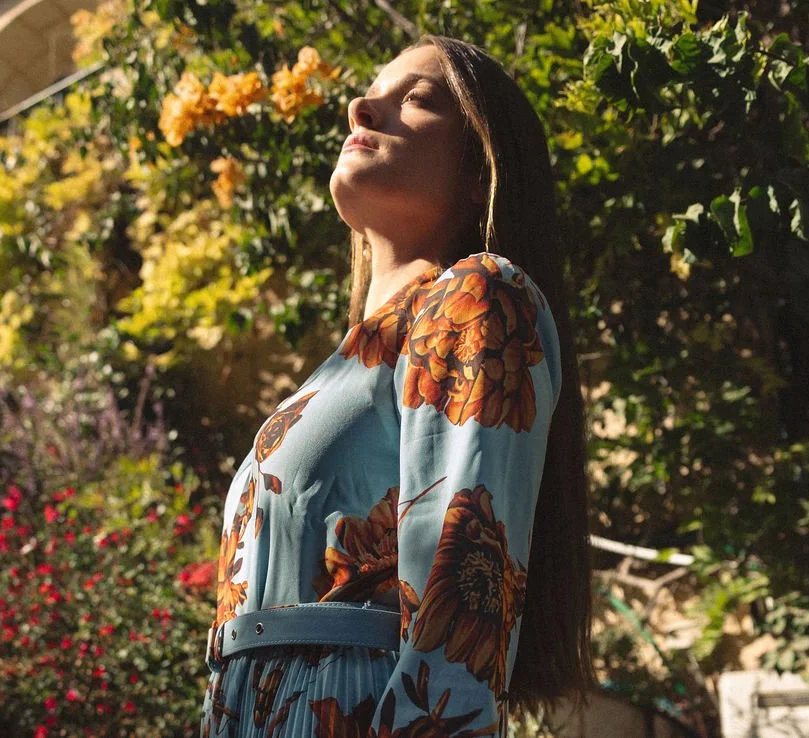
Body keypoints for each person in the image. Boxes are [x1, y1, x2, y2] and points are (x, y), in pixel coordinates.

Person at [200, 34, 594, 738]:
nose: (362, 105)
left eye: (416, 99)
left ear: (482, 170)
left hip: (350, 704)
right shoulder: (350, 363)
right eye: (374, 92)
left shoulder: (476, 295)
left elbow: (466, 575)